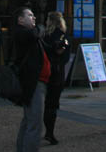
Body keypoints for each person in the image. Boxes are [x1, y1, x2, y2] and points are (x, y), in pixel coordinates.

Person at [12, 6, 50, 152]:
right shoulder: (22, 33)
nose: (33, 17)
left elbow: (45, 47)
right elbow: (36, 34)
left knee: (29, 120)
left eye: (33, 15)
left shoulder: (30, 34)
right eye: (30, 15)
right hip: (33, 83)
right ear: (20, 20)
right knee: (35, 123)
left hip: (38, 81)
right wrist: (41, 27)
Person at [42, 12, 70, 146]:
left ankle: (46, 131)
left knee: (46, 102)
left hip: (44, 71)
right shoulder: (62, 36)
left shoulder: (43, 36)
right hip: (57, 72)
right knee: (52, 103)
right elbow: (63, 52)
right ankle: (49, 132)